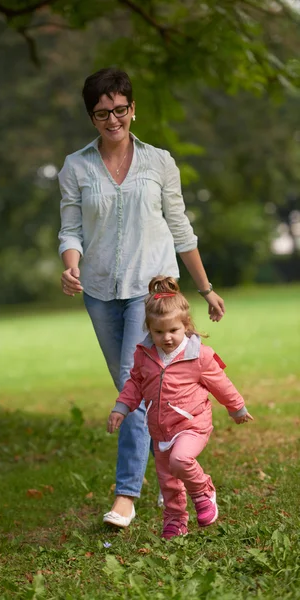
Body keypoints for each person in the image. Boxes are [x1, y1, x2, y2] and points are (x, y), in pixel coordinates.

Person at [58, 67, 226, 527]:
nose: (112, 119)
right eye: (101, 113)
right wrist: (71, 266)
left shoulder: (159, 162)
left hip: (150, 290)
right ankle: (173, 474)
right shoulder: (76, 166)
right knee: (135, 391)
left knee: (134, 385)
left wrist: (206, 288)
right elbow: (71, 228)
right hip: (98, 291)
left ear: (133, 108)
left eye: (120, 109)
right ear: (91, 117)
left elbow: (180, 228)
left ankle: (126, 496)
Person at [107, 276, 253, 538]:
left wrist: (237, 407)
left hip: (192, 424)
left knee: (181, 460)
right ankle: (175, 521)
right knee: (169, 480)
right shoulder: (144, 355)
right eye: (158, 332)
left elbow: (221, 383)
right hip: (160, 430)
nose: (167, 338)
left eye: (173, 331)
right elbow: (134, 384)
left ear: (185, 326)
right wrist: (121, 407)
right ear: (149, 330)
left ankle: (204, 491)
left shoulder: (199, 356)